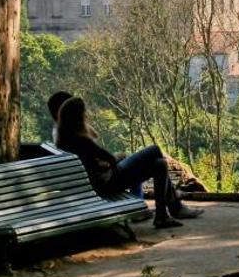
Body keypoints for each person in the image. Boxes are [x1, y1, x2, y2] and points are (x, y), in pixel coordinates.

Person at [55, 96, 202, 229]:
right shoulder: (83, 140)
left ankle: (163, 215)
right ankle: (174, 208)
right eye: (84, 113)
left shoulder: (64, 139)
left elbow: (93, 162)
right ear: (79, 118)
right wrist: (116, 159)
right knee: (155, 150)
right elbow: (110, 159)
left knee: (160, 164)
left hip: (100, 184)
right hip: (110, 182)